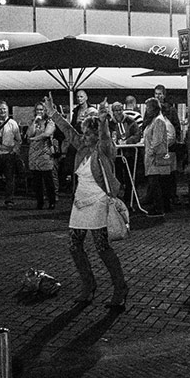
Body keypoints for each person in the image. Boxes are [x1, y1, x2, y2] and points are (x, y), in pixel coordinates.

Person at [44, 94, 128, 309]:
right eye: (84, 131)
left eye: (89, 132)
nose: (85, 136)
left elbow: (106, 139)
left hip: (99, 200)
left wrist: (102, 121)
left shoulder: (104, 149)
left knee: (102, 247)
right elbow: (67, 131)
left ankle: (120, 287)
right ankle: (88, 284)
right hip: (80, 201)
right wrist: (53, 113)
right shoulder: (81, 145)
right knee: (74, 245)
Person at [141, 96, 175, 214]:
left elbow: (157, 140)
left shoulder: (159, 121)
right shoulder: (154, 120)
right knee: (157, 183)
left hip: (156, 158)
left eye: (148, 108)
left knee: (156, 184)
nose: (147, 111)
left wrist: (150, 152)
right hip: (154, 157)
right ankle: (159, 206)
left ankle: (159, 208)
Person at [25, 103, 57, 210]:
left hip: (45, 153)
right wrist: (35, 122)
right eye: (38, 110)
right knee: (37, 180)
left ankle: (52, 201)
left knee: (48, 179)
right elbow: (29, 134)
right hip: (34, 154)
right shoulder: (32, 122)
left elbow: (47, 134)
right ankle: (40, 201)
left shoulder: (50, 122)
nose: (40, 112)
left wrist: (34, 139)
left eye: (42, 110)